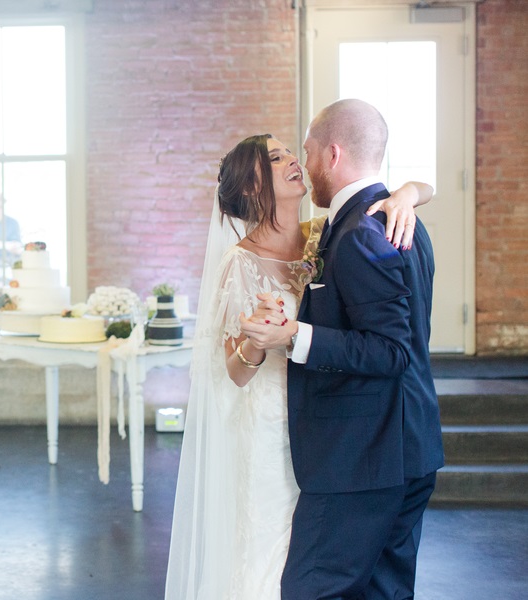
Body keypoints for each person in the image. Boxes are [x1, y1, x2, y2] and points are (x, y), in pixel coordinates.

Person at [164, 129, 434, 599]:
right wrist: (257, 341)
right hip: (274, 425)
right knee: (281, 555)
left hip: (334, 425)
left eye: (292, 151)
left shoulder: (323, 234)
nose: (292, 159)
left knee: (328, 560)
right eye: (275, 157)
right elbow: (235, 370)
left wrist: (407, 193)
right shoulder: (240, 262)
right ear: (252, 186)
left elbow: (421, 188)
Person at [241, 99, 444, 599]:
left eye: (307, 152)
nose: (304, 166)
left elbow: (392, 351)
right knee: (383, 592)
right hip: (407, 448)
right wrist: (411, 191)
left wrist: (294, 335)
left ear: (331, 153)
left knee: (313, 588)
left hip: (363, 458)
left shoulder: (360, 235)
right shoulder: (403, 222)